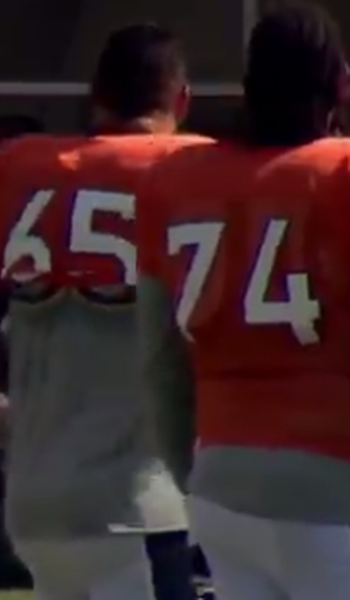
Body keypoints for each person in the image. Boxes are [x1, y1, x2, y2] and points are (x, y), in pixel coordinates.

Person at [0, 24, 205, 600]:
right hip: (138, 502)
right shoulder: (194, 172)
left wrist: (42, 386)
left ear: (96, 95)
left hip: (37, 500)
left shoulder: (17, 169)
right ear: (180, 100)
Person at [136, 4, 350, 599]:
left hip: (224, 482)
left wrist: (196, 477)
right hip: (333, 483)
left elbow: (160, 362)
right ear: (338, 84)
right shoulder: (339, 175)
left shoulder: (177, 179)